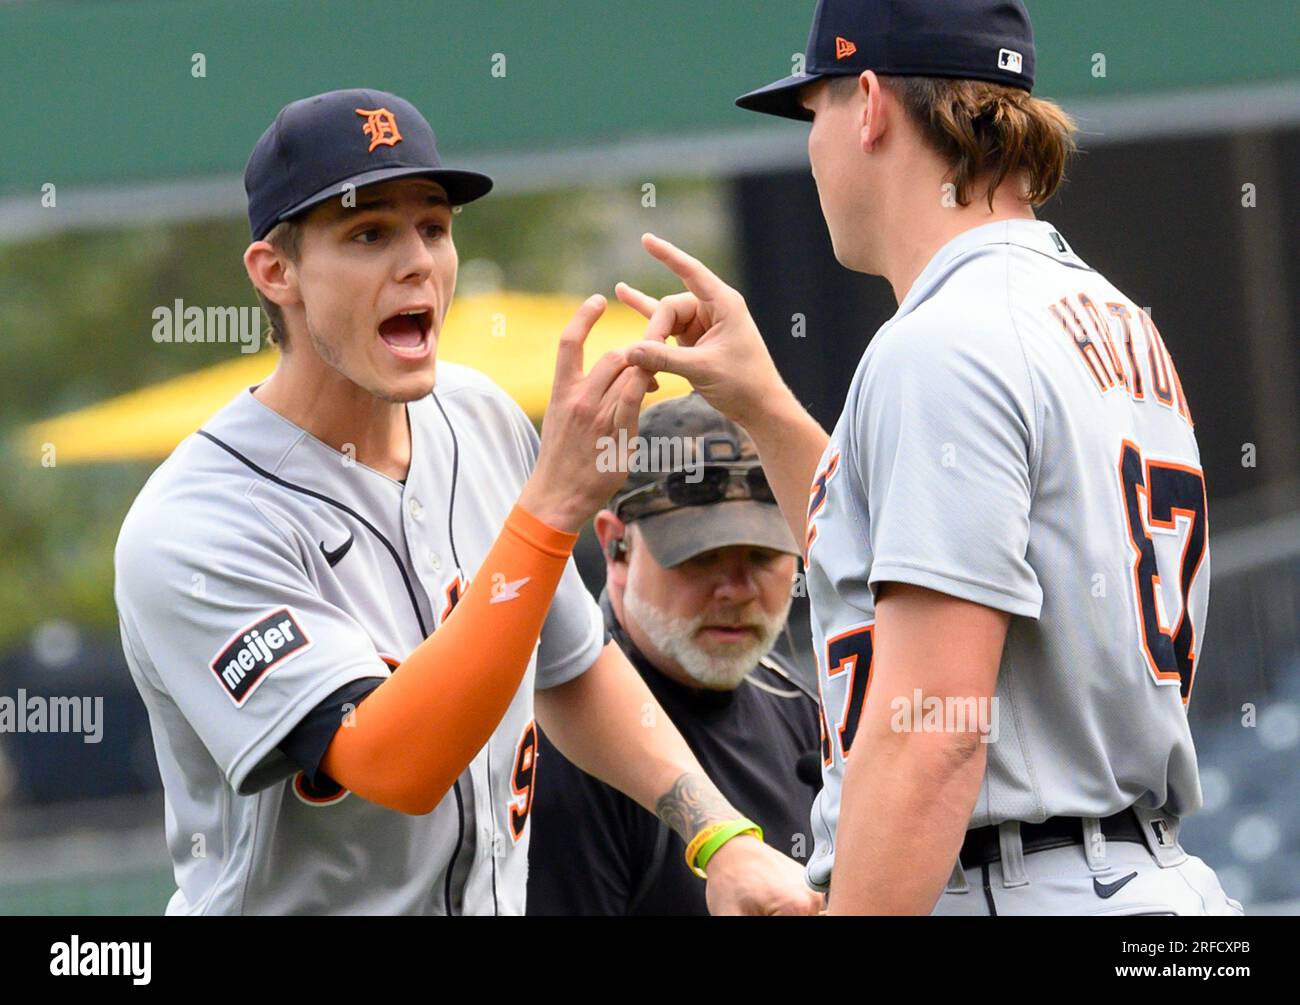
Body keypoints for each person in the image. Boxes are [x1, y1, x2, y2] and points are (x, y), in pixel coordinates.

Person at [113, 88, 821, 916]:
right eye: (367, 232)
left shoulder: (478, 415)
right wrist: (552, 506)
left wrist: (718, 838)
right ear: (276, 271)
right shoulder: (194, 525)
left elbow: (573, 669)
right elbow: (398, 764)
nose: (415, 261)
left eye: (434, 227)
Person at [615, 0, 1242, 915]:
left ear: (867, 103)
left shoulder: (943, 340)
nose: (813, 144)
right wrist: (760, 402)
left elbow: (933, 734)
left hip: (1020, 882)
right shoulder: (1111, 317)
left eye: (814, 109)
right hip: (1157, 892)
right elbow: (894, 544)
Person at [527, 394, 822, 915]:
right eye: (700, 556)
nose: (736, 590)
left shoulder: (803, 710)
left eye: (762, 555)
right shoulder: (563, 743)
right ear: (615, 545)